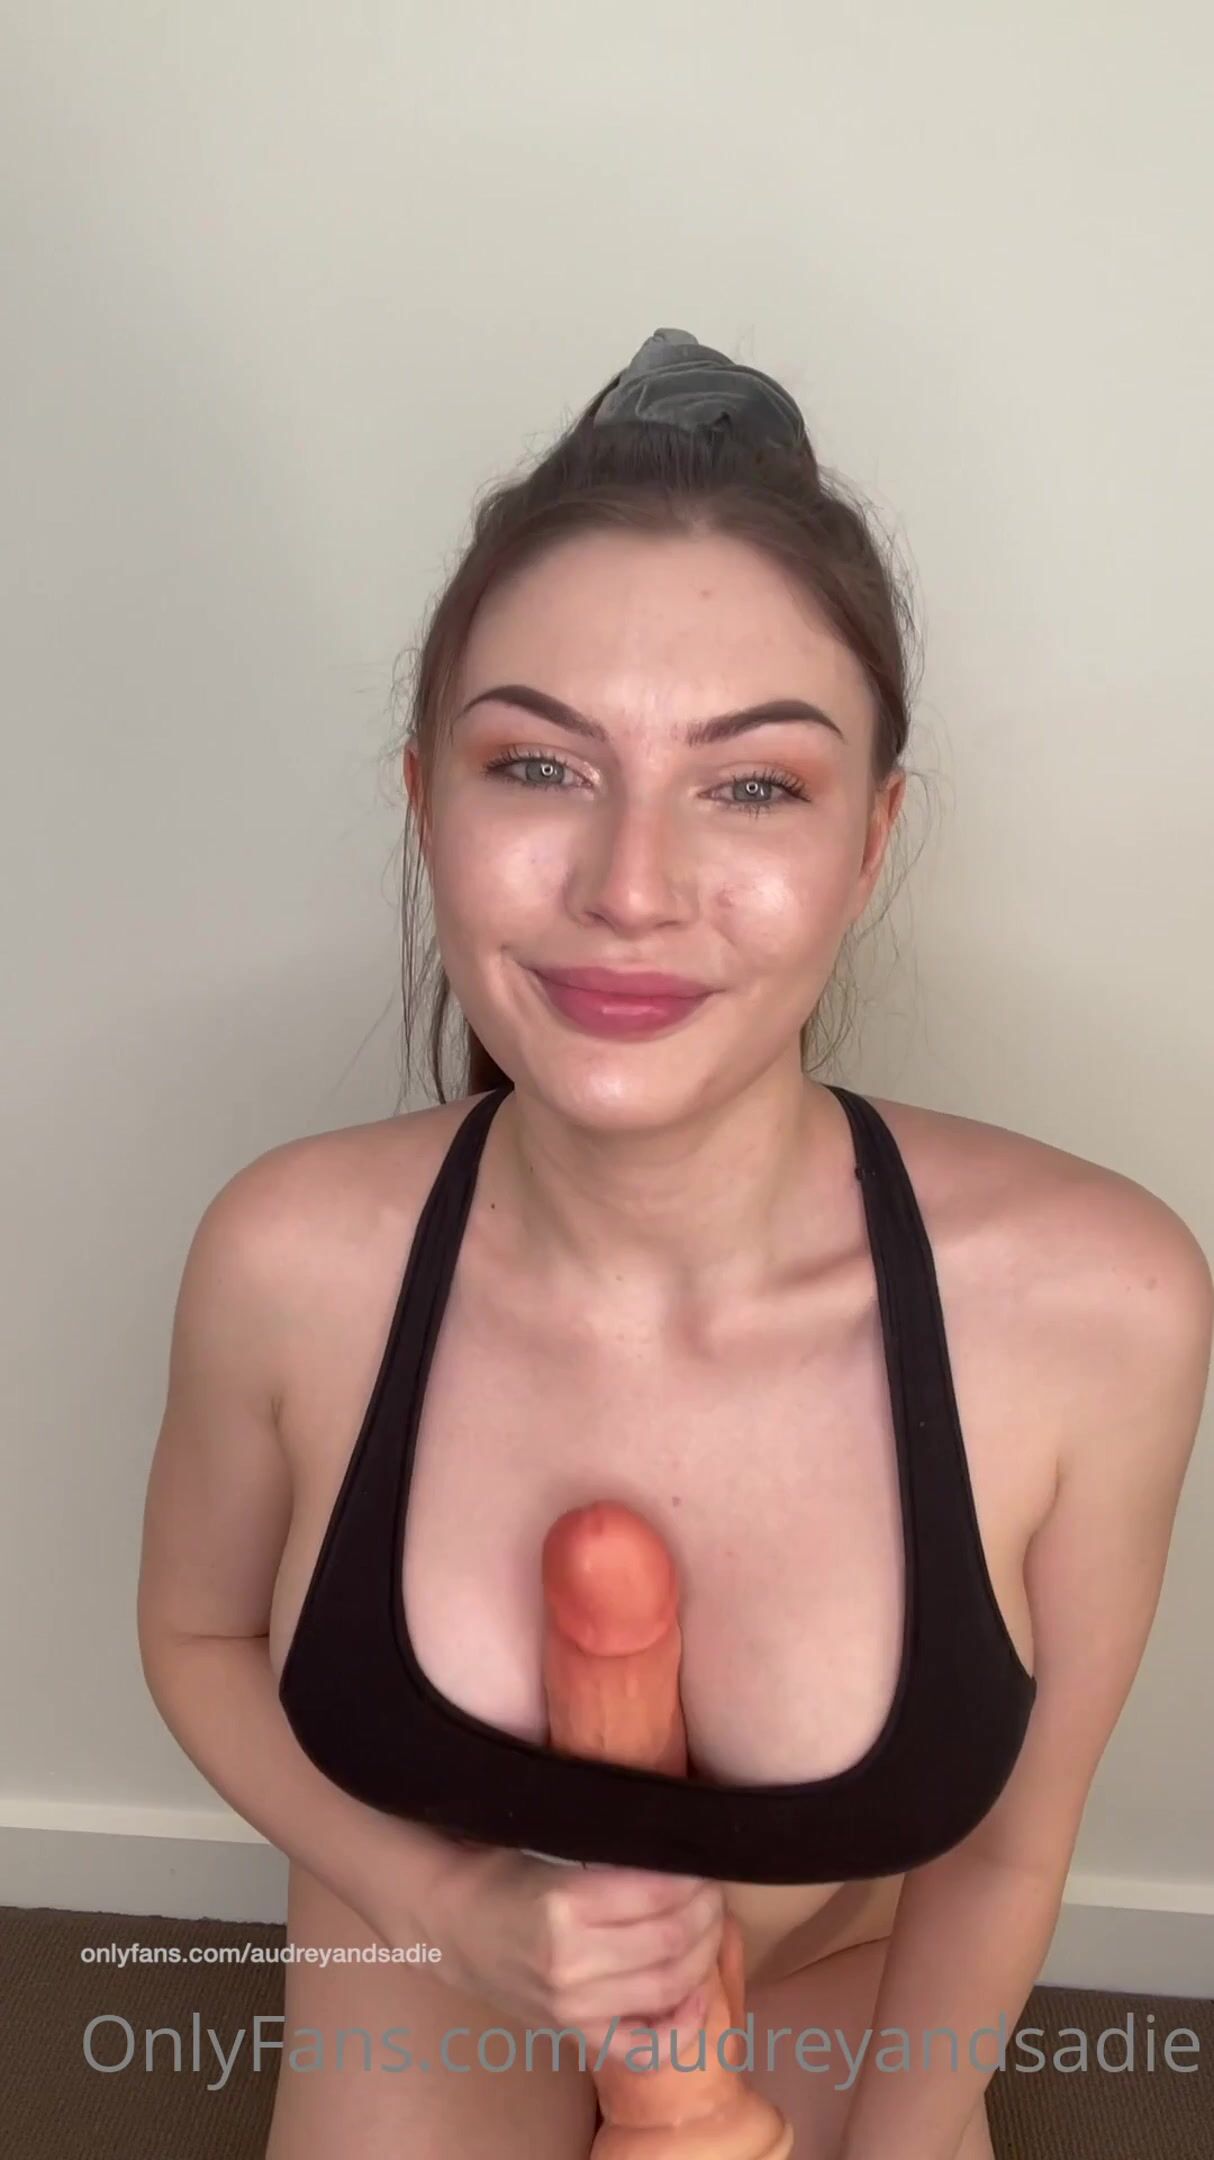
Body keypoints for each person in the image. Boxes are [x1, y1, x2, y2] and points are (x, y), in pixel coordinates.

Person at [138, 329, 1212, 2160]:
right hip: (428, 1953)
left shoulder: (1096, 1306)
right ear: (426, 804)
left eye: (753, 784)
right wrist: (456, 1908)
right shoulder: (290, 1257)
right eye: (537, 767)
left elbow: (1003, 1853)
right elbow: (197, 1633)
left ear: (869, 841)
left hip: (830, 1976)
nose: (630, 887)